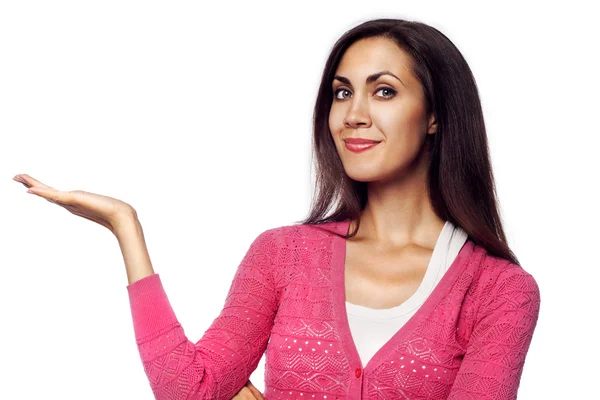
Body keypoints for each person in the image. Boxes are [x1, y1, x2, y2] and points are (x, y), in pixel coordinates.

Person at [13, 17, 540, 400]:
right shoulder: (283, 255)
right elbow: (192, 389)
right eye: (340, 93)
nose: (353, 114)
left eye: (383, 91)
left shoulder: (499, 291)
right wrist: (126, 229)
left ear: (435, 116)